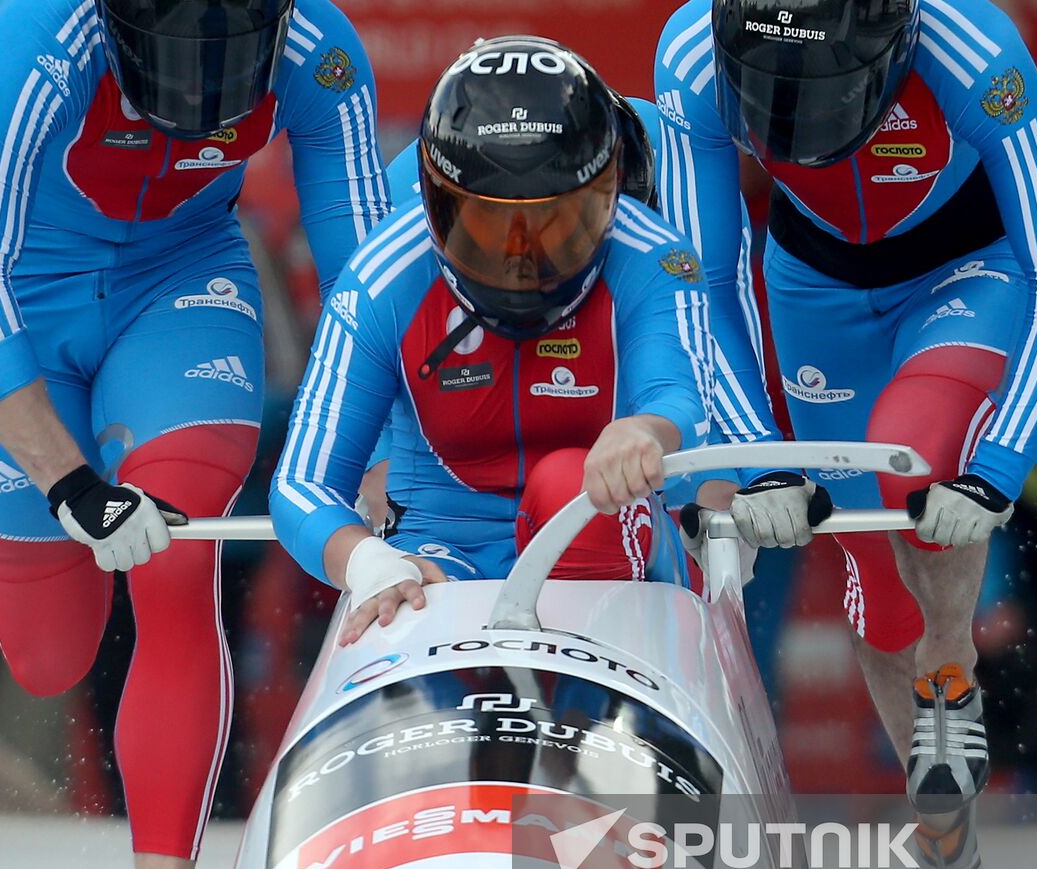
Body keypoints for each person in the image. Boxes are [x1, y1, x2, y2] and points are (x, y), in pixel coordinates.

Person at [0, 0, 389, 869]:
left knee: (177, 562)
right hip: (26, 304)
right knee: (52, 657)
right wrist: (68, 483)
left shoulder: (318, 47)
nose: (201, 99)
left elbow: (369, 274)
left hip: (178, 286)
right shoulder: (39, 34)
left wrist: (387, 450)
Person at [655, 0, 1037, 869]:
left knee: (911, 464)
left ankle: (954, 672)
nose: (795, 130)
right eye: (770, 99)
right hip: (814, 294)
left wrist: (997, 468)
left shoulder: (973, 47)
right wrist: (759, 459)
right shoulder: (691, 53)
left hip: (967, 271)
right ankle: (937, 814)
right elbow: (701, 285)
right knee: (870, 579)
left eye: (819, 99)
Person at [270, 36, 710, 644]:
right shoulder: (383, 277)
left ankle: (593, 720)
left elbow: (681, 397)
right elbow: (303, 483)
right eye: (489, 225)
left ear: (605, 201)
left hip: (603, 528)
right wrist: (369, 562)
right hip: (439, 550)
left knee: (567, 485)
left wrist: (644, 430)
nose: (521, 258)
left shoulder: (653, 259)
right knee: (407, 613)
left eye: (555, 224)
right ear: (439, 204)